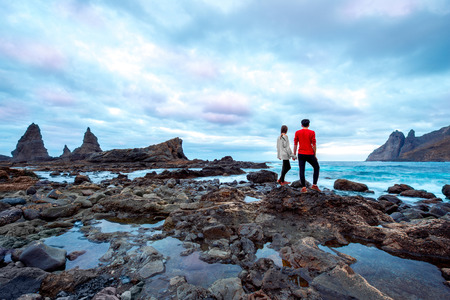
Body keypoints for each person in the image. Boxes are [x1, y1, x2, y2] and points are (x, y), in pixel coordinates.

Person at [293, 119, 321, 192]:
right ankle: (314, 185)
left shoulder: (297, 132)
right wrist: (315, 155)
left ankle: (304, 188)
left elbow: (295, 144)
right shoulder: (312, 132)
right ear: (308, 125)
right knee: (316, 167)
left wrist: (294, 154)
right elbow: (314, 145)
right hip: (310, 154)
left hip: (301, 154)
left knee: (302, 170)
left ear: (301, 125)